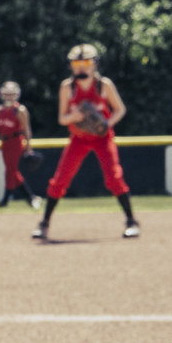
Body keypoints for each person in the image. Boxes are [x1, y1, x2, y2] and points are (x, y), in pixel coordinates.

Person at [35, 44, 137, 242]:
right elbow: (62, 119)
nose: (81, 68)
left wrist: (107, 123)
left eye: (86, 63)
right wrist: (74, 115)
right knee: (60, 180)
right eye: (77, 63)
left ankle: (131, 222)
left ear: (94, 65)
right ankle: (44, 224)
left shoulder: (103, 85)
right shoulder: (67, 87)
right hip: (78, 138)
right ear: (71, 66)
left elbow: (120, 109)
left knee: (114, 178)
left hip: (102, 138)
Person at [0, 81, 40, 210]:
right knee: (12, 172)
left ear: (16, 95)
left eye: (11, 94)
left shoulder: (19, 110)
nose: (8, 97)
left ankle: (5, 200)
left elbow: (26, 130)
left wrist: (29, 148)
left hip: (16, 142)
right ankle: (31, 198)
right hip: (4, 143)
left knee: (10, 171)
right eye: (6, 94)